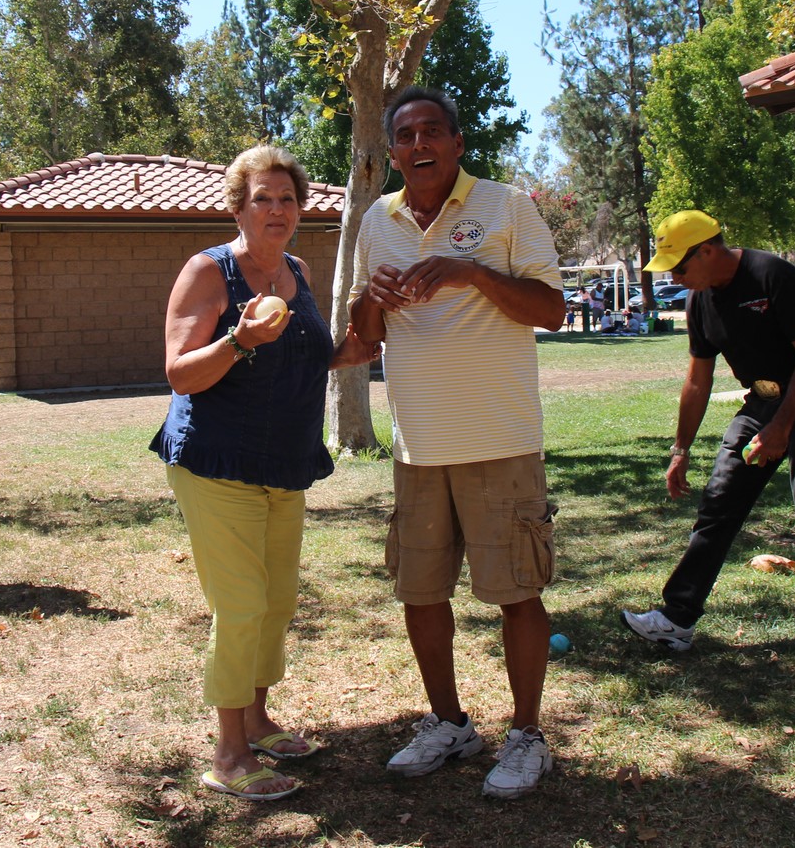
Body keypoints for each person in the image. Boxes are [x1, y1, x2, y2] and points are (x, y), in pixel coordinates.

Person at [350, 86, 567, 800]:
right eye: (406, 135)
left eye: (433, 131)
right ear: (392, 152)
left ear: (457, 142)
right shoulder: (376, 221)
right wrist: (372, 300)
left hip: (499, 439)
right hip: (418, 446)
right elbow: (364, 335)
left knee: (517, 593)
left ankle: (527, 735)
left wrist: (469, 272)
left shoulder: (507, 206)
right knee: (420, 593)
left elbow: (552, 310)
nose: (420, 144)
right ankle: (448, 722)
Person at [151, 145, 376, 803]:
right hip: (218, 460)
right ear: (238, 209)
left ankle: (256, 720)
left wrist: (349, 352)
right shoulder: (209, 272)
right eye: (262, 199)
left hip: (285, 461)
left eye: (287, 199)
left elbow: (301, 358)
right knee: (242, 604)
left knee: (276, 602)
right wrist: (238, 339)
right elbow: (180, 372)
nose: (277, 210)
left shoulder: (298, 271)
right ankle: (228, 754)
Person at [620, 210, 795, 658]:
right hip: (760, 403)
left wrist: (782, 427)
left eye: (679, 267)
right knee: (719, 502)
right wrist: (680, 449)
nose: (675, 278)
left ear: (707, 250)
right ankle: (677, 619)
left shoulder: (771, 275)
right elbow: (698, 379)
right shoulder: (699, 299)